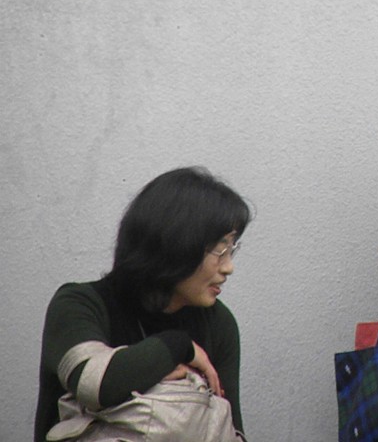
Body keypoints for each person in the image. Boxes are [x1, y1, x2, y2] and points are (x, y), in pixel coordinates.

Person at [35, 167, 252, 442]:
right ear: (177, 243)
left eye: (232, 249)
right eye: (220, 250)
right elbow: (94, 383)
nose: (229, 267)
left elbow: (229, 429)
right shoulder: (80, 304)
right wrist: (178, 346)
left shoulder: (218, 323)